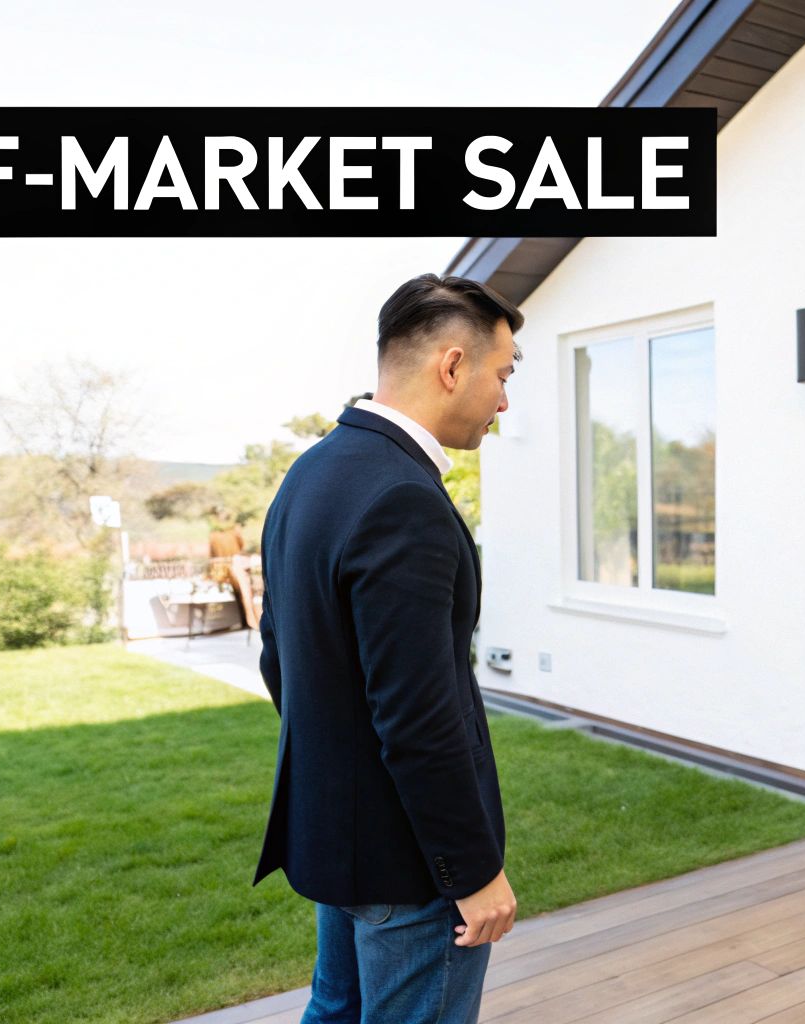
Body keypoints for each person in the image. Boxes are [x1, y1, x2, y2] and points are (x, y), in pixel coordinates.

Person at [253, 273, 524, 1024]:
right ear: (450, 366)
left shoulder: (311, 473)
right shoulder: (404, 498)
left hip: (339, 840)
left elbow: (282, 656)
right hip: (408, 865)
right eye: (502, 374)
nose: (504, 400)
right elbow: (419, 718)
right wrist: (471, 874)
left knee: (333, 1012)